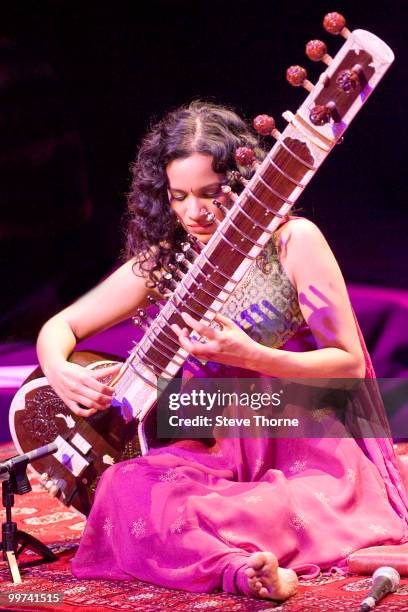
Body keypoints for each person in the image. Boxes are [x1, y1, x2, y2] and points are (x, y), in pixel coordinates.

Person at [36, 101, 408, 602]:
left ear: (244, 181)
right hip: (226, 455)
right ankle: (243, 571)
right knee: (125, 489)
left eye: (210, 193)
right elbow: (62, 326)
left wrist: (253, 356)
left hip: (311, 449)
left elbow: (347, 364)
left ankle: (242, 563)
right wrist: (57, 367)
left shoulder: (293, 242)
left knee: (268, 508)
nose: (194, 212)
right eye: (179, 197)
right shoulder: (170, 263)